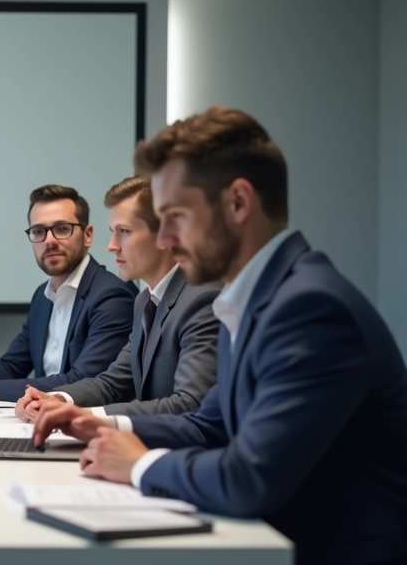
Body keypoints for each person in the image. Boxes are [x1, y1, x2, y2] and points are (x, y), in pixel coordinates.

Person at [33, 106, 407, 565]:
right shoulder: (252, 297)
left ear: (238, 203)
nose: (165, 236)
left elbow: (250, 478)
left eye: (176, 216)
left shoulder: (310, 308)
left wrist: (140, 463)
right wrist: (102, 424)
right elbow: (208, 424)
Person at [15, 177, 221, 425]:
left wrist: (83, 415)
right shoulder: (145, 301)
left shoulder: (202, 299)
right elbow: (113, 381)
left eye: (124, 232)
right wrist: (57, 399)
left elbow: (189, 404)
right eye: (114, 233)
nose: (111, 246)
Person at [0, 185, 135, 402]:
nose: (49, 241)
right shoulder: (42, 296)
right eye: (38, 231)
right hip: (40, 420)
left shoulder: (112, 297)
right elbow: (12, 365)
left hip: (84, 427)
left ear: (87, 236)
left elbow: (84, 380)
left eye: (62, 228)